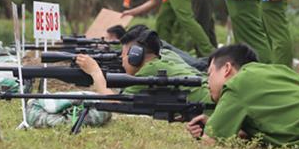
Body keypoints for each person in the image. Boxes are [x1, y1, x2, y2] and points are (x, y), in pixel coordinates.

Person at [75, 28, 212, 104]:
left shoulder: (148, 71)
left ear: (135, 56)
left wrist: (95, 72)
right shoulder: (167, 56)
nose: (122, 61)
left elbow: (115, 103)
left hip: (211, 106)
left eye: (124, 55)